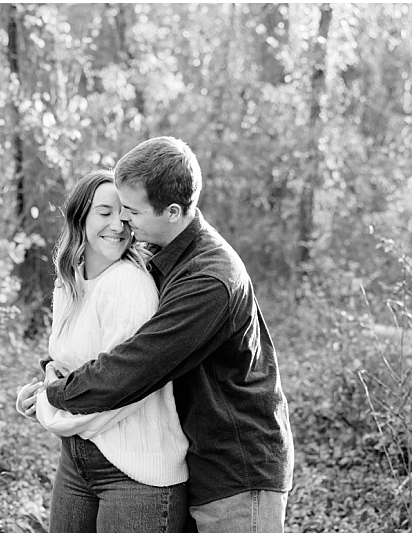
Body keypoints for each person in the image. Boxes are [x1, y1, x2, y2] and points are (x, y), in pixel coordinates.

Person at [42, 136, 295, 533]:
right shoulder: (163, 256)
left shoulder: (209, 279)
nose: (124, 220)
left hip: (236, 470)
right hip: (193, 456)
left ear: (173, 211)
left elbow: (135, 366)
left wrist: (53, 394)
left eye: (133, 211)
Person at [15, 169, 189, 533]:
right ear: (80, 218)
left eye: (125, 213)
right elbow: (66, 367)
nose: (119, 224)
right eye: (105, 212)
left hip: (136, 472)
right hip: (77, 461)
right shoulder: (70, 282)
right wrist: (36, 394)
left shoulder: (129, 286)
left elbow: (119, 390)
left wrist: (50, 409)